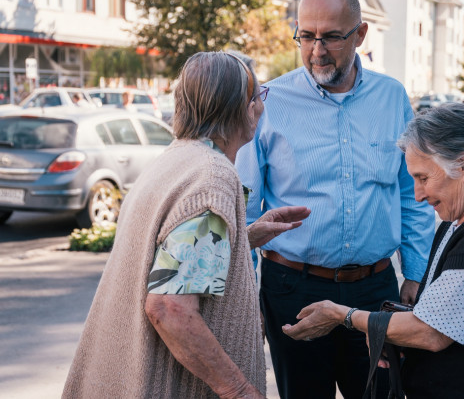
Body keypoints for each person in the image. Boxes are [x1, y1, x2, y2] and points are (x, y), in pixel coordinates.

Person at [62, 51, 310, 398]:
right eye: (257, 97)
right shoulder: (211, 178)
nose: (261, 108)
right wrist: (239, 390)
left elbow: (170, 259)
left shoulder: (177, 157)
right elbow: (169, 307)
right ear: (237, 106)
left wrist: (243, 238)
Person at [235, 0, 435, 399]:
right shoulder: (268, 101)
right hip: (293, 289)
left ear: (360, 34)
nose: (317, 50)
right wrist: (244, 289)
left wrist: (416, 272)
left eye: (331, 37)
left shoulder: (391, 97)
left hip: (374, 291)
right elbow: (246, 206)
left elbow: (410, 192)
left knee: (382, 394)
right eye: (306, 37)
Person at [282, 103, 464, 398]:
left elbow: (431, 332)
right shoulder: (463, 220)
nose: (418, 195)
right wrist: (395, 334)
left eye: (423, 178)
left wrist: (341, 315)